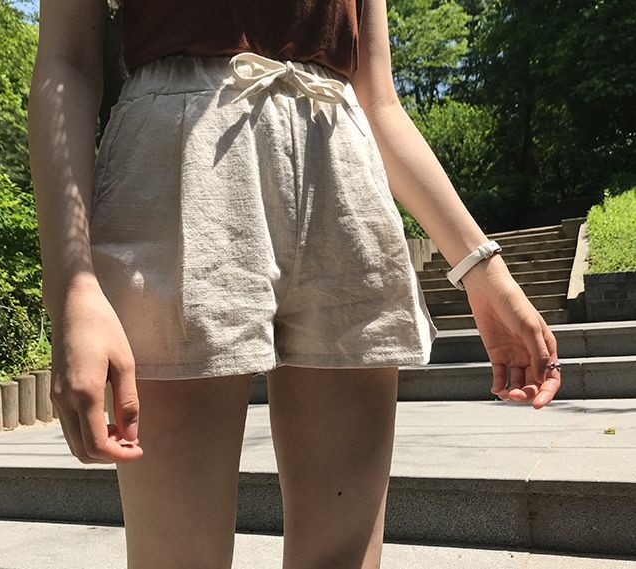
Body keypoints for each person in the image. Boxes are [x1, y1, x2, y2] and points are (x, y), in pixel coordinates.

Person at [27, 0, 562, 568]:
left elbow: (379, 101)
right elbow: (67, 63)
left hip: (342, 172)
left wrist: (484, 270)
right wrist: (73, 287)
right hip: (179, 168)